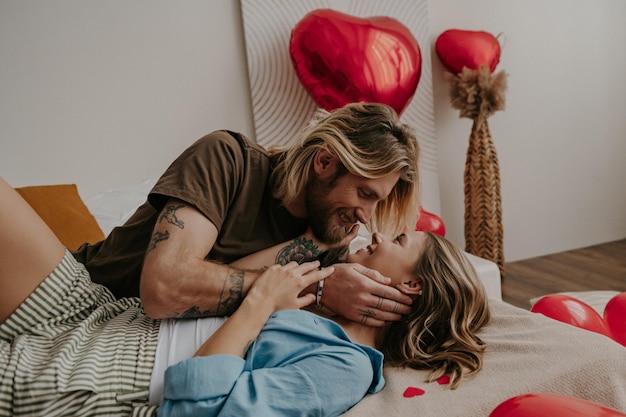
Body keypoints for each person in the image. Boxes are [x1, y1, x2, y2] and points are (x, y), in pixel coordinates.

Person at [0, 177, 490, 417]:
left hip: (116, 374)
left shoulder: (348, 366)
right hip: (108, 315)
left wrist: (258, 306)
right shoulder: (323, 294)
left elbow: (201, 412)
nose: (379, 236)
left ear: (413, 286)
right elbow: (201, 280)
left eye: (401, 243)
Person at [71, 102, 421, 326]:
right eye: (363, 193)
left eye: (378, 201)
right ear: (325, 162)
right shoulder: (228, 159)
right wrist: (317, 287)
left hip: (129, 336)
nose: (366, 217)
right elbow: (164, 288)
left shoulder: (328, 242)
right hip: (79, 288)